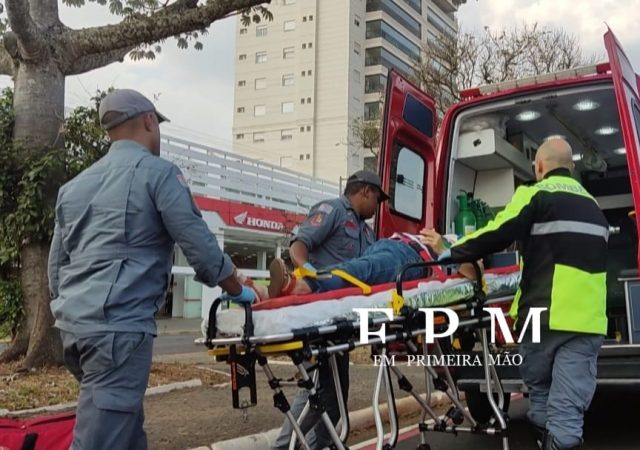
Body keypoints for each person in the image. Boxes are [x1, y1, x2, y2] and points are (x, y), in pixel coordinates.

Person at [48, 89, 257, 450]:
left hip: (74, 330)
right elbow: (201, 248)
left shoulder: (74, 187)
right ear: (149, 120)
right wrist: (238, 289)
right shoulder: (159, 174)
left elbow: (56, 268)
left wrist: (72, 309)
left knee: (125, 431)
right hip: (119, 332)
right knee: (100, 440)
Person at [440, 137, 609, 450]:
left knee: (544, 399)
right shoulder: (593, 205)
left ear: (540, 166)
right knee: (566, 407)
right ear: (571, 168)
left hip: (542, 316)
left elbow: (498, 230)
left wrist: (452, 251)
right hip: (587, 322)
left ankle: (550, 439)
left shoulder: (536, 194)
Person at [270, 170, 386, 450]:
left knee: (333, 399)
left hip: (342, 320)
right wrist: (308, 272)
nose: (378, 207)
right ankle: (283, 447)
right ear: (365, 192)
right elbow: (299, 246)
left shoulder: (367, 233)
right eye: (378, 199)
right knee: (318, 391)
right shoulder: (332, 210)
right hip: (319, 315)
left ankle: (320, 445)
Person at [264, 229, 477, 297]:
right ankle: (294, 281)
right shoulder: (453, 235)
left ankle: (300, 285)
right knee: (358, 267)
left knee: (361, 270)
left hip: (411, 259)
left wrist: (443, 249)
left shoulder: (471, 246)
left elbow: (477, 272)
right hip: (389, 244)